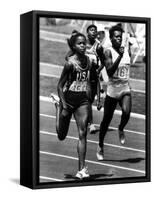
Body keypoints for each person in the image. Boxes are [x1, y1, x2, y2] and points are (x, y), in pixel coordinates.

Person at [50, 31, 98, 179]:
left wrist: (93, 97)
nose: (83, 45)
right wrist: (64, 104)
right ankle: (57, 106)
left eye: (85, 43)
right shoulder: (69, 64)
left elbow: (94, 80)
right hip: (67, 100)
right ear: (74, 46)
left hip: (82, 102)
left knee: (82, 133)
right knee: (61, 135)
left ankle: (82, 169)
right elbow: (59, 86)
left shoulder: (89, 62)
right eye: (80, 43)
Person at [96, 24, 132, 161]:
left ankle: (121, 128)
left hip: (125, 88)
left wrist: (124, 54)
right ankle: (100, 145)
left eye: (120, 37)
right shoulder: (108, 52)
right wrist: (120, 56)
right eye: (116, 37)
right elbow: (109, 72)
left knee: (127, 112)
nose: (119, 39)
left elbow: (126, 68)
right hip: (112, 90)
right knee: (106, 120)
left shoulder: (127, 49)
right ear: (111, 39)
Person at [85, 24, 105, 133]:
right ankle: (91, 124)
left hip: (93, 75)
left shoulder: (98, 47)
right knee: (87, 100)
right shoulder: (82, 43)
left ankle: (88, 120)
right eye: (91, 30)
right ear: (87, 32)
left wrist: (98, 69)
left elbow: (104, 61)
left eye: (95, 30)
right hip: (82, 75)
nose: (94, 32)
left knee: (89, 100)